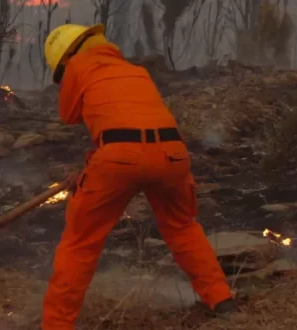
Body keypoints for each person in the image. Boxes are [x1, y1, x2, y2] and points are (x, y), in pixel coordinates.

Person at [40, 23, 238, 330]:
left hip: (120, 158)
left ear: (66, 59)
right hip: (171, 154)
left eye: (59, 74)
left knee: (80, 244)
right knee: (183, 226)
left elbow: (68, 115)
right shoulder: (136, 71)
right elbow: (133, 121)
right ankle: (222, 300)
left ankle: (56, 325)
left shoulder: (77, 66)